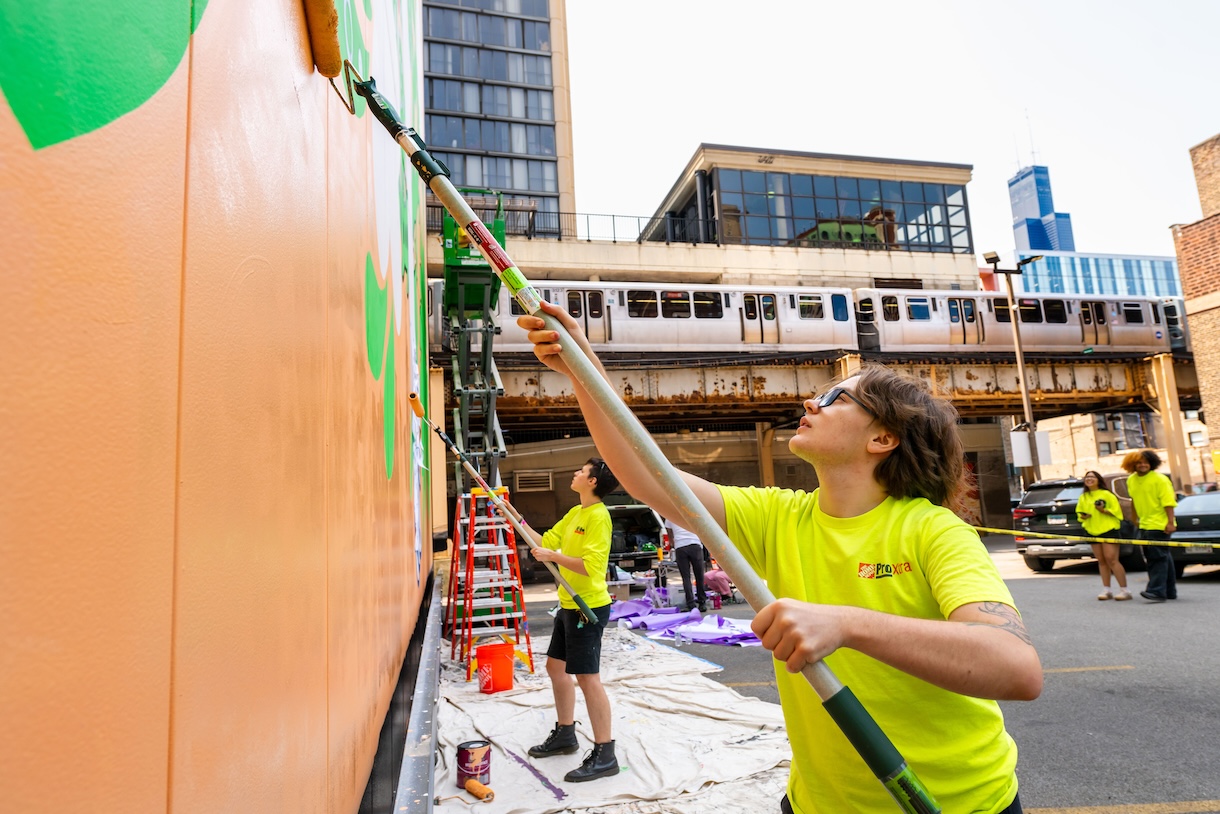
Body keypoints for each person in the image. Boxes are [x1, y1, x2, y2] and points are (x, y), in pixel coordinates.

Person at [518, 302, 1042, 814]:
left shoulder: (933, 530)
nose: (811, 404)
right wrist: (583, 367)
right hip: (816, 802)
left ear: (883, 437)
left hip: (960, 803)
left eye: (837, 397)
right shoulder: (780, 515)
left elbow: (1017, 668)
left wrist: (847, 625)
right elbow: (646, 472)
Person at [525, 458, 622, 782]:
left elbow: (591, 566)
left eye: (581, 471)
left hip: (587, 608)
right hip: (568, 605)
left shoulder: (599, 517)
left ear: (593, 481)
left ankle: (605, 753)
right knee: (555, 668)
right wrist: (513, 517)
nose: (575, 473)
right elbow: (544, 542)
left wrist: (554, 558)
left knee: (587, 678)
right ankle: (566, 734)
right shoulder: (575, 513)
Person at [1122, 450, 1178, 602]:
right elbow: (1134, 500)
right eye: (1139, 462)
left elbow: (1168, 502)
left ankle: (1156, 591)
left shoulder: (1160, 479)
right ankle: (1169, 591)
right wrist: (1134, 519)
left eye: (1146, 462)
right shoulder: (1131, 480)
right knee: (1163, 556)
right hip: (1144, 524)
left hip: (1160, 524)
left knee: (1156, 557)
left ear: (1152, 463)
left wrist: (1170, 522)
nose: (1143, 465)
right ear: (1132, 464)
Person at [1074, 470, 1131, 600]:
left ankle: (1125, 590)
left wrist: (1103, 510)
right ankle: (1107, 589)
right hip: (1092, 530)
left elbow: (1117, 512)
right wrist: (1084, 516)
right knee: (1101, 560)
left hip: (1108, 529)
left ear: (1099, 480)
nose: (1089, 479)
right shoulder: (1084, 497)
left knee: (1112, 559)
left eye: (1092, 477)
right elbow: (1079, 513)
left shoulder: (1107, 494)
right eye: (1087, 477)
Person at [664, 516, 708, 611]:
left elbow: (669, 533)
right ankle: (702, 603)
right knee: (699, 576)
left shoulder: (669, 514)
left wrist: (673, 542)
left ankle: (691, 604)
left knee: (686, 577)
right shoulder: (690, 511)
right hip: (695, 545)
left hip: (680, 547)